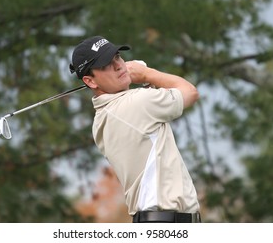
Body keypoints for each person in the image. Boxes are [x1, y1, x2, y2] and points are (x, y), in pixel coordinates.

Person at [69, 36, 201, 223]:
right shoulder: (135, 103)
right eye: (106, 64)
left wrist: (141, 80)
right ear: (90, 81)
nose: (118, 65)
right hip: (165, 224)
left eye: (117, 56)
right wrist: (147, 74)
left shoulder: (102, 119)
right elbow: (190, 92)